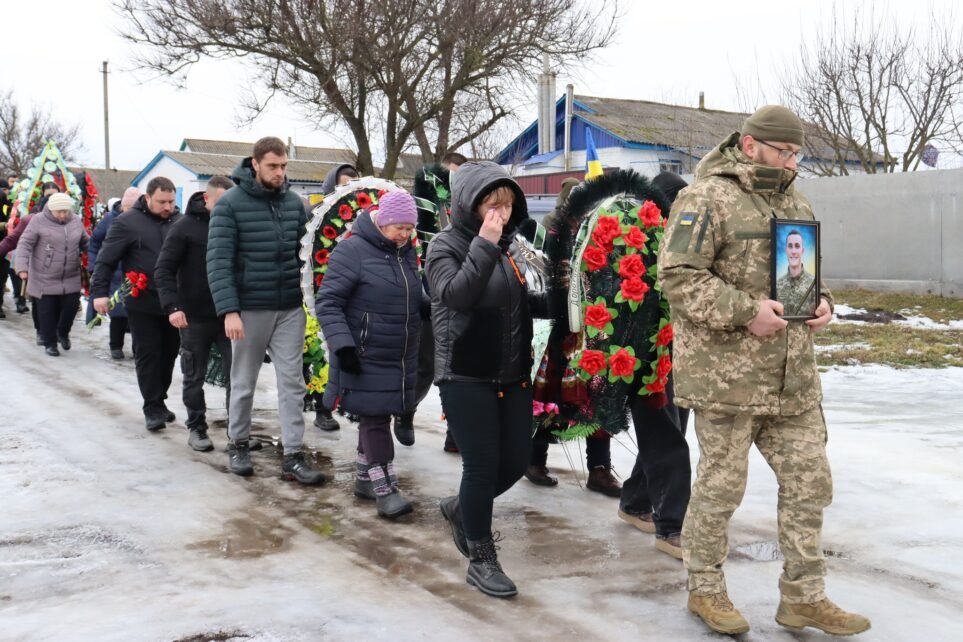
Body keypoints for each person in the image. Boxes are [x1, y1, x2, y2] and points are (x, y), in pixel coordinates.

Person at [659, 105, 870, 636]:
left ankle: (804, 597)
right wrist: (743, 311)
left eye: (798, 152)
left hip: (792, 380)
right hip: (727, 381)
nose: (793, 161)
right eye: (784, 151)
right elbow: (678, 277)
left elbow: (797, 273)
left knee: (809, 484)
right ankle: (704, 589)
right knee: (720, 489)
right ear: (750, 145)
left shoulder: (793, 198)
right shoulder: (705, 197)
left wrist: (819, 300)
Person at [427, 160, 546, 599]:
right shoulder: (445, 246)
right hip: (464, 372)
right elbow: (456, 295)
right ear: (470, 205)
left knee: (515, 461)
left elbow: (524, 300)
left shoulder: (514, 247)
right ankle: (481, 558)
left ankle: (463, 509)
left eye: (507, 205)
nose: (500, 213)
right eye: (491, 206)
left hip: (512, 372)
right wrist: (486, 243)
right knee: (480, 467)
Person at [207, 136, 325, 485]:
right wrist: (229, 310)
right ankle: (238, 442)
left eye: (284, 166)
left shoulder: (294, 204)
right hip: (249, 307)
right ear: (255, 163)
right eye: (273, 166)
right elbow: (218, 261)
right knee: (244, 382)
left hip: (289, 306)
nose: (279, 172)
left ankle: (293, 454)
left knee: (293, 382)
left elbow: (305, 255)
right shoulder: (230, 205)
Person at [316, 190, 422, 518]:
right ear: (381, 222)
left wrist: (430, 307)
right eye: (398, 228)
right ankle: (384, 487)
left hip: (399, 351)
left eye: (409, 228)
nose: (404, 234)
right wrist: (343, 345)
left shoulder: (404, 252)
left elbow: (408, 292)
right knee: (375, 417)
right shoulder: (352, 251)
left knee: (379, 412)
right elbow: (328, 301)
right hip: (363, 351)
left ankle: (364, 477)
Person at [524, 177, 623, 498]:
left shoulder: (603, 232)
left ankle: (599, 468)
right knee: (550, 399)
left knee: (598, 398)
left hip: (596, 330)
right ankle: (535, 459)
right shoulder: (555, 234)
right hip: (562, 330)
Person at [617, 170, 692, 561]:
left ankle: (634, 501)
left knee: (670, 431)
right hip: (645, 358)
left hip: (680, 354)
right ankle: (671, 527)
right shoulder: (635, 245)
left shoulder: (683, 243)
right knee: (669, 442)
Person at [92, 178, 181, 431]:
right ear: (148, 198)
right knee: (148, 353)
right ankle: (152, 407)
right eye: (162, 202)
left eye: (172, 202)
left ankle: (160, 400)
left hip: (173, 303)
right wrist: (99, 293)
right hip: (142, 301)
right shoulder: (127, 222)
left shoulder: (179, 221)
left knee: (169, 354)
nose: (168, 207)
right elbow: (106, 260)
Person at [155, 176, 234, 452]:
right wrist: (172, 307)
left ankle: (237, 431)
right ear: (207, 199)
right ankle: (197, 427)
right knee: (194, 375)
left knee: (237, 376)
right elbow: (163, 269)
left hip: (229, 315)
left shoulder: (235, 226)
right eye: (221, 202)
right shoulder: (185, 227)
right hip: (194, 316)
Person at [14, 193, 88, 356]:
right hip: (44, 276)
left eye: (65, 211)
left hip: (70, 274)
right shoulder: (38, 220)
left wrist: (97, 255)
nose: (62, 215)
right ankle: (50, 342)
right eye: (58, 212)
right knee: (47, 312)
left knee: (70, 308)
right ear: (51, 209)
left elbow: (85, 242)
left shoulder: (75, 221)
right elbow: (24, 244)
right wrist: (22, 267)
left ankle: (62, 332)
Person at [88, 187, 141, 359]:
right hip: (115, 272)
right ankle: (115, 346)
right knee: (117, 313)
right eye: (127, 208)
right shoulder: (109, 219)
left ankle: (138, 348)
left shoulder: (144, 220)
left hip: (137, 274)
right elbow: (95, 243)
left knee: (137, 317)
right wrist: (94, 267)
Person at [776, 229, 817, 316]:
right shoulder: (777, 285)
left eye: (797, 246)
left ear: (802, 251)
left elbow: (827, 303)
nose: (793, 251)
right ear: (786, 250)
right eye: (790, 246)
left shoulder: (814, 283)